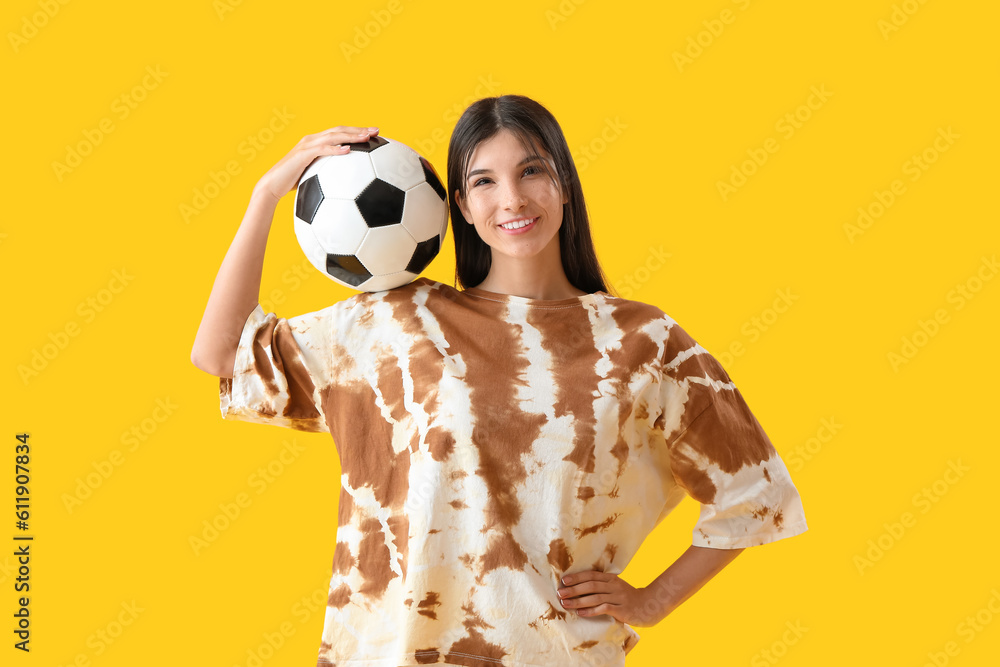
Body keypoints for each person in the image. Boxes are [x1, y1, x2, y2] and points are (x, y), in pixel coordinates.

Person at [191, 94, 808, 667]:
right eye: (484, 181)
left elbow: (757, 494)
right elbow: (220, 352)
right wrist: (267, 192)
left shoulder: (642, 341)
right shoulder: (396, 322)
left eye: (532, 171)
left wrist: (654, 600)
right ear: (459, 205)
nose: (512, 199)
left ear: (563, 183)